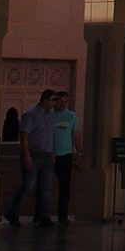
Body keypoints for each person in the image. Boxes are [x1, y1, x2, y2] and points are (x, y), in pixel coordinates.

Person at [5, 89, 60, 227]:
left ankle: (43, 216)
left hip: (46, 155)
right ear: (45, 100)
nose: (55, 103)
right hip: (33, 154)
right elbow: (24, 135)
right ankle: (12, 211)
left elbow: (50, 136)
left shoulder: (52, 116)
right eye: (53, 100)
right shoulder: (31, 115)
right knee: (28, 185)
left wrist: (52, 154)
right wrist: (26, 154)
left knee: (46, 187)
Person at [51, 90, 80, 223]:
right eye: (60, 101)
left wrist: (79, 151)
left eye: (65, 102)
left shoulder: (71, 116)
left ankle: (62, 216)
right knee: (45, 186)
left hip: (65, 155)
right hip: (50, 155)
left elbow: (75, 134)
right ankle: (41, 215)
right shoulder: (49, 116)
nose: (63, 104)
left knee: (65, 187)